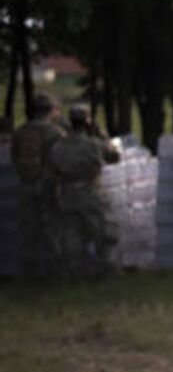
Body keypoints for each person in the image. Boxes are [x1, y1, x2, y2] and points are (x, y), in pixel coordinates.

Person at [47, 104, 122, 277]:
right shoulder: (93, 145)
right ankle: (109, 272)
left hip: (67, 195)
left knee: (72, 237)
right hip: (90, 193)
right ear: (87, 121)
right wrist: (101, 135)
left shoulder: (59, 147)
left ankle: (74, 273)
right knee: (105, 234)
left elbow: (51, 170)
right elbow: (115, 156)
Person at [9, 92, 65, 279]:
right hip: (48, 186)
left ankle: (29, 273)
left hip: (26, 185)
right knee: (52, 230)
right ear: (50, 110)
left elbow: (14, 158)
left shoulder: (21, 131)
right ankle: (52, 273)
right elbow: (60, 160)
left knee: (28, 231)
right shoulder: (55, 133)